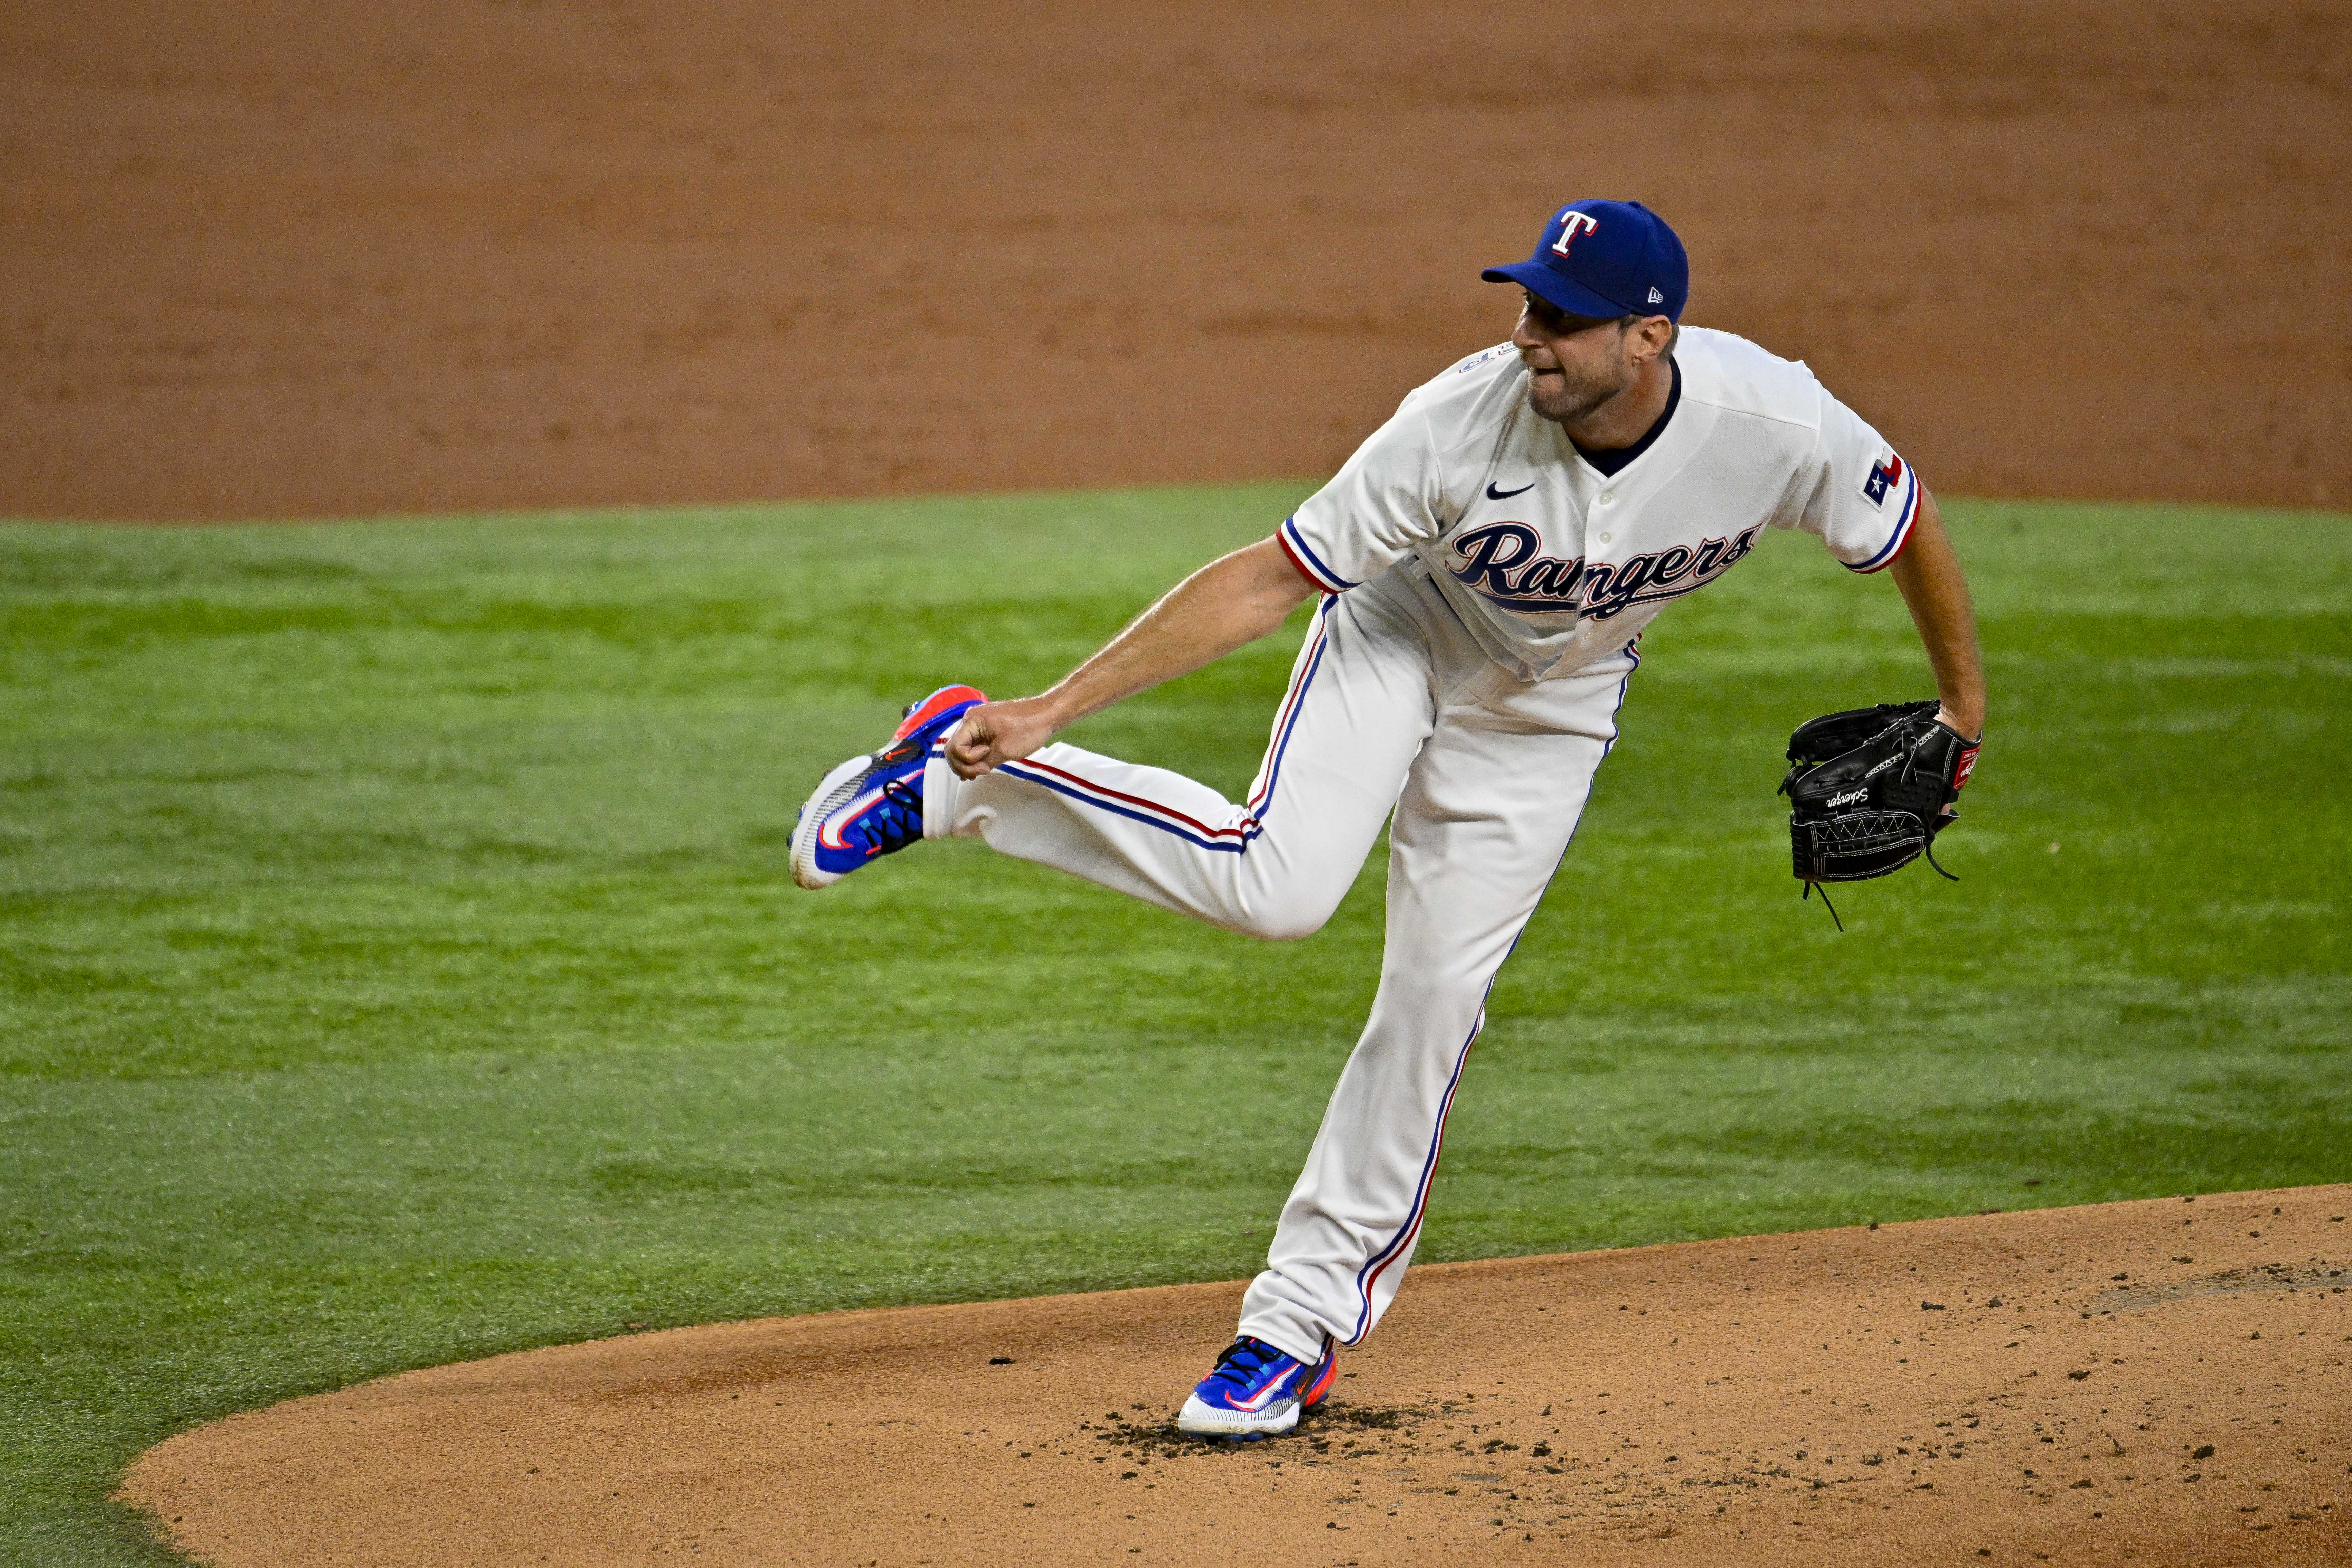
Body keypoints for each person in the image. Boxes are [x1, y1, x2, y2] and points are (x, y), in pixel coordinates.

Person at [789, 199, 1985, 1441]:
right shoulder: (1455, 423)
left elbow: (1905, 524)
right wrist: (1050, 706)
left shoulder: (1774, 422)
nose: (1529, 337)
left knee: (1434, 1003)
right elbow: (1267, 578)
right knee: (1277, 887)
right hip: (1399, 635)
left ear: (1649, 336)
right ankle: (962, 775)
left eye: (1562, 320)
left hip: (1550, 713)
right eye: (1526, 306)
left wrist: (1962, 711)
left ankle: (1292, 1327)